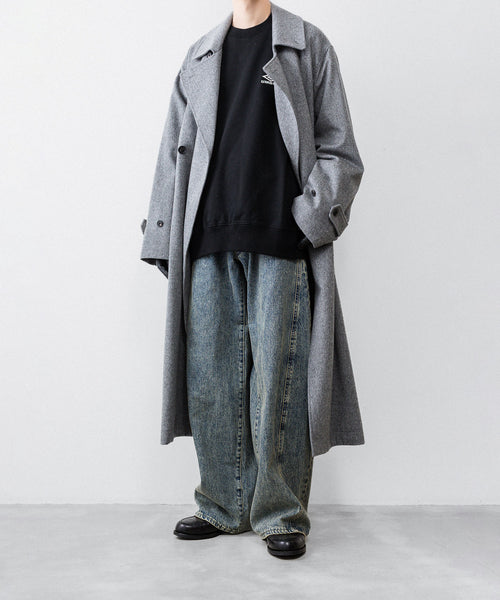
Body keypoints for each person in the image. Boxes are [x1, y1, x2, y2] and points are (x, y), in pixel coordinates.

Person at [140, 0, 364, 560]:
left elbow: (339, 149)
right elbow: (172, 153)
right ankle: (223, 504)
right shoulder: (200, 55)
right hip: (206, 238)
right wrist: (163, 236)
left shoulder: (307, 45)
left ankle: (280, 513)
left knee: (280, 382)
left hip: (280, 237)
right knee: (211, 380)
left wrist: (311, 218)